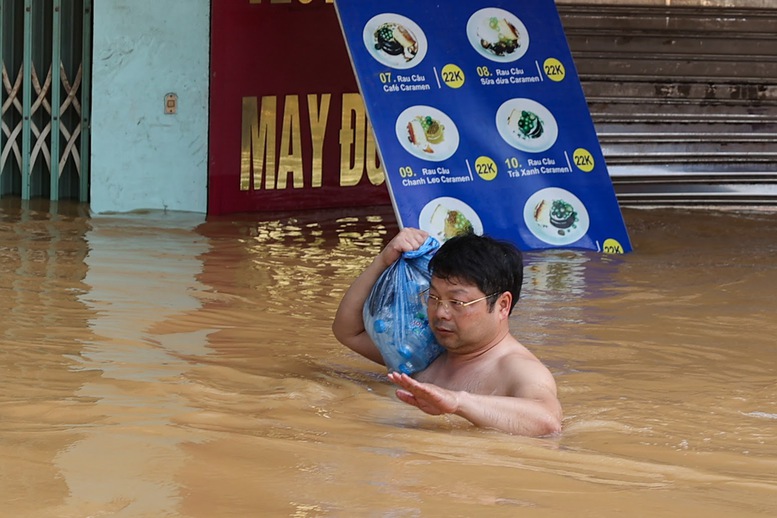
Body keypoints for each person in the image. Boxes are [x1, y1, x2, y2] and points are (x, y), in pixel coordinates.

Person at [332, 227, 562, 436]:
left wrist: (457, 402)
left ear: (502, 305)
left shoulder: (518, 369)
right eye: (433, 297)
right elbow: (349, 332)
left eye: (457, 302)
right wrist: (382, 261)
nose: (441, 312)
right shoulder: (429, 348)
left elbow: (547, 421)